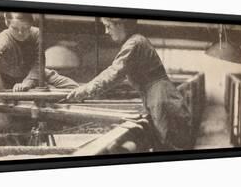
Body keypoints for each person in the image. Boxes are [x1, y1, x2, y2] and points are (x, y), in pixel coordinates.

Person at [66, 17, 193, 151]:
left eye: (108, 26)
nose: (106, 31)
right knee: (166, 144)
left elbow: (114, 72)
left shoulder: (134, 44)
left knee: (169, 147)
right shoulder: (136, 41)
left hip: (161, 99)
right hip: (159, 96)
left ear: (120, 24)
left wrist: (86, 89)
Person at [0, 12, 78, 100]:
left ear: (31, 24)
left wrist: (26, 83)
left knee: (74, 88)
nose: (20, 33)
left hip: (36, 73)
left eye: (25, 28)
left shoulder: (37, 34)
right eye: (15, 28)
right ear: (7, 23)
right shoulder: (2, 40)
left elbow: (39, 63)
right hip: (7, 80)